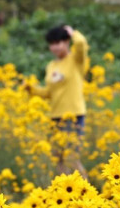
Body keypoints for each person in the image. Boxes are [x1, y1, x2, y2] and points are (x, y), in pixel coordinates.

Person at [28, 25, 89, 178]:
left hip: (74, 115)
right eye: (51, 43)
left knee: (72, 157)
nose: (54, 47)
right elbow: (49, 92)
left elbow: (81, 44)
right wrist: (31, 89)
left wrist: (72, 32)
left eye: (58, 42)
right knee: (57, 158)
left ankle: (87, 193)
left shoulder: (76, 60)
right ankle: (66, 191)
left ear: (67, 41)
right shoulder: (51, 66)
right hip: (56, 116)